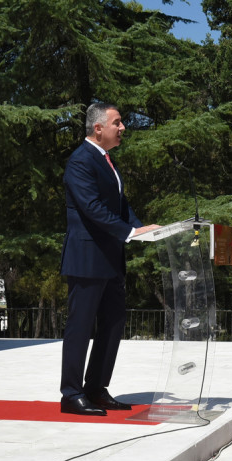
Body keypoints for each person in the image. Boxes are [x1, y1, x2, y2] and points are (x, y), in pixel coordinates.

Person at [60, 103, 159, 416]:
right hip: (87, 257)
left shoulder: (105, 161)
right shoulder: (80, 160)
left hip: (110, 258)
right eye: (117, 122)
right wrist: (129, 232)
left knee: (113, 324)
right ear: (98, 127)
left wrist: (140, 229)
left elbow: (119, 205)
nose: (123, 128)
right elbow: (91, 207)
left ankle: (96, 389)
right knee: (81, 326)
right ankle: (72, 394)